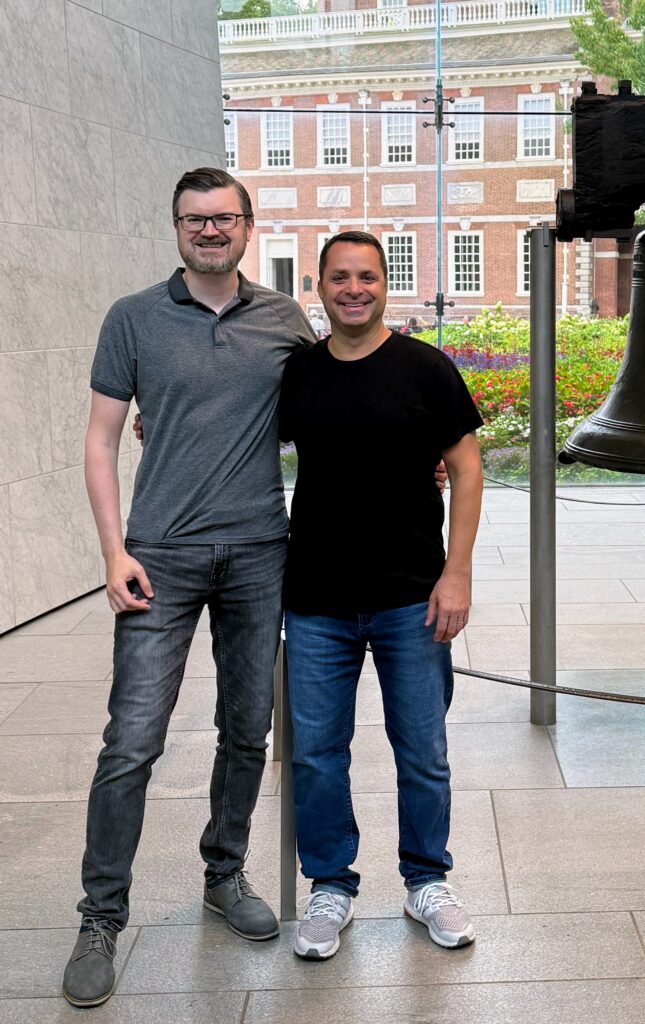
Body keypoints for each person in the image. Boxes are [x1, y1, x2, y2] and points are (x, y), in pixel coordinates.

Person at [64, 168, 317, 1008]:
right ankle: (100, 918)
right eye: (194, 220)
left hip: (257, 552)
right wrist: (112, 551)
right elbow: (101, 442)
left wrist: (419, 449)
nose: (209, 231)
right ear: (176, 228)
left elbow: (331, 409)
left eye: (223, 219)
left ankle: (223, 872)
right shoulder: (132, 318)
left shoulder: (284, 319)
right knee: (131, 739)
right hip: (159, 556)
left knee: (247, 727)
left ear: (249, 226)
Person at [280, 231, 484, 960]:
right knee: (317, 754)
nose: (353, 289)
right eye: (340, 277)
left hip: (411, 595)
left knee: (423, 752)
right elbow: (241, 438)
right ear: (322, 285)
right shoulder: (299, 374)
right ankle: (329, 887)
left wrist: (455, 572)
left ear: (385, 284)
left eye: (367, 276)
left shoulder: (425, 369)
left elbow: (465, 466)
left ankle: (427, 880)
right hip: (316, 598)